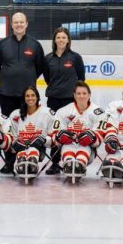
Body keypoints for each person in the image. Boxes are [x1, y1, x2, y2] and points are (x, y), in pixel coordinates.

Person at [43, 27, 84, 174]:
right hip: (53, 100)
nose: (61, 40)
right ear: (54, 40)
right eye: (58, 37)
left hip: (69, 100)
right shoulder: (48, 58)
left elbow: (81, 78)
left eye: (63, 37)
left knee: (69, 130)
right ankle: (55, 163)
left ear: (68, 40)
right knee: (55, 131)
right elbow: (47, 78)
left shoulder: (75, 57)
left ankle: (71, 160)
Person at [50, 82, 106, 183]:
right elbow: (54, 134)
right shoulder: (63, 111)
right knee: (68, 145)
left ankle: (80, 164)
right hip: (68, 146)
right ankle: (69, 163)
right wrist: (59, 136)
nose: (81, 96)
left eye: (84, 93)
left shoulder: (98, 112)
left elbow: (100, 135)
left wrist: (93, 138)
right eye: (79, 93)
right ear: (74, 95)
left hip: (88, 149)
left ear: (89, 95)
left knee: (84, 146)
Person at [0, 12, 46, 117]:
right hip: (7, 93)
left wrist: (28, 77)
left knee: (28, 123)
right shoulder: (2, 44)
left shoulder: (35, 45)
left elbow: (40, 67)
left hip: (29, 95)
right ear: (11, 24)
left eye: (21, 22)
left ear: (26, 24)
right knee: (8, 124)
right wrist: (7, 76)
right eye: (16, 22)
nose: (19, 25)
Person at [6, 86, 55, 180]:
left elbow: (53, 138)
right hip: (21, 148)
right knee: (22, 156)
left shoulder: (47, 113)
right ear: (24, 98)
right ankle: (22, 162)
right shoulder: (16, 114)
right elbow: (11, 136)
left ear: (37, 97)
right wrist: (14, 143)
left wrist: (43, 140)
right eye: (27, 96)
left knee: (33, 151)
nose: (30, 98)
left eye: (33, 95)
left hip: (39, 149)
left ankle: (32, 162)